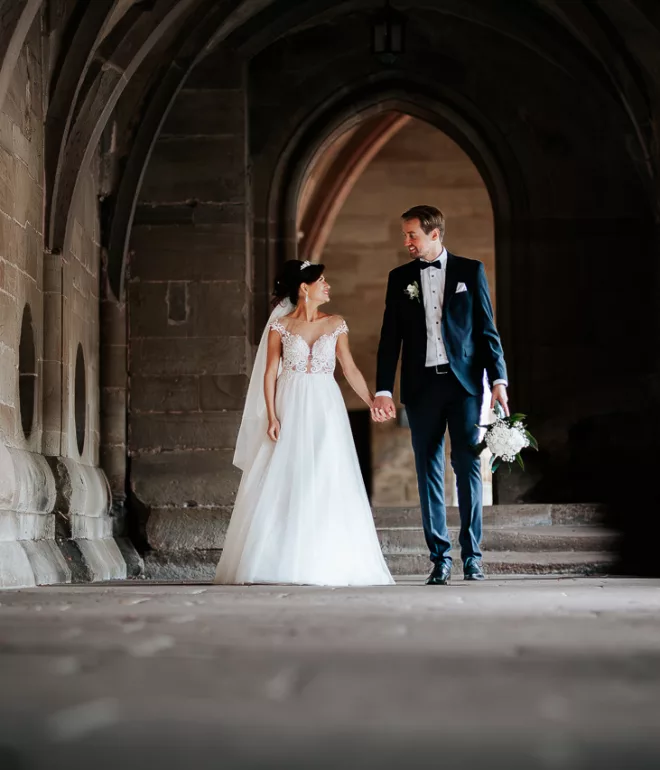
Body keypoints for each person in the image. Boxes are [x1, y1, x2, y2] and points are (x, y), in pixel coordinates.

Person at [214, 259, 394, 586]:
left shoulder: (336, 323)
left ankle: (325, 558)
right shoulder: (280, 326)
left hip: (325, 405)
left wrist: (372, 401)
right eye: (321, 281)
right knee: (284, 473)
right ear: (303, 288)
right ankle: (273, 559)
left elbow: (349, 369)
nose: (327, 286)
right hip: (289, 402)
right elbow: (270, 372)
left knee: (325, 472)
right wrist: (271, 415)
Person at [373, 205, 509, 586]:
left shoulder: (471, 271)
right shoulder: (399, 278)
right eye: (405, 235)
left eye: (412, 234)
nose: (406, 242)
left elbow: (487, 330)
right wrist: (384, 388)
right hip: (421, 387)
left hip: (465, 385)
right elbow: (389, 339)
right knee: (427, 471)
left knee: (467, 468)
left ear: (435, 234)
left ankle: (473, 556)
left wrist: (499, 381)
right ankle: (439, 559)